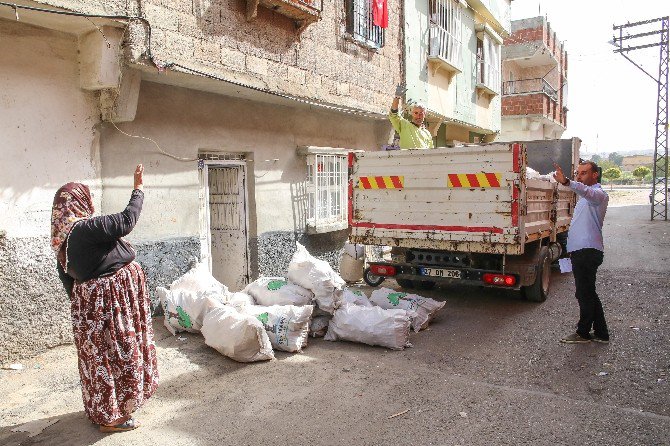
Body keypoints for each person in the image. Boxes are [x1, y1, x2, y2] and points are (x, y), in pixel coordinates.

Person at [51, 164, 159, 432]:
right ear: (81, 202)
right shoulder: (85, 228)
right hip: (112, 306)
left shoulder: (63, 243)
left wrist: (88, 313)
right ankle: (114, 417)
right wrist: (139, 188)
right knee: (120, 354)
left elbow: (71, 285)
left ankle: (105, 412)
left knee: (100, 359)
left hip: (93, 310)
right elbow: (127, 220)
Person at [553, 160, 610, 344]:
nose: (580, 176)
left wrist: (567, 181)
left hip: (587, 251)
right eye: (578, 173)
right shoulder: (585, 199)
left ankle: (583, 332)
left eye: (584, 173)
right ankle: (601, 333)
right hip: (581, 251)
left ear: (595, 175)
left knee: (584, 293)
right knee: (588, 292)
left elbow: (586, 191)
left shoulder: (598, 195)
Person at [389, 84, 434, 150]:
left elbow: (431, 152)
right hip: (407, 159)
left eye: (421, 113)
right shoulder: (404, 125)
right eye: (416, 113)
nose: (418, 116)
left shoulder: (427, 133)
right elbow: (394, 115)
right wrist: (397, 97)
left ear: (424, 115)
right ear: (412, 113)